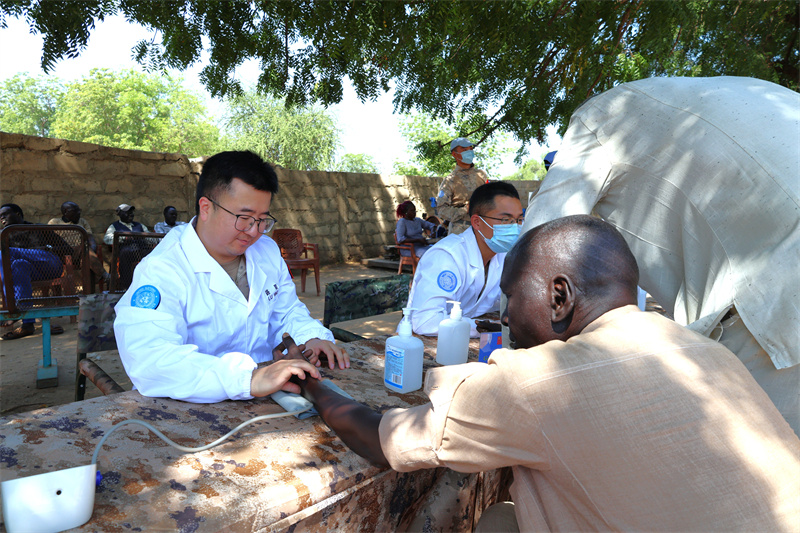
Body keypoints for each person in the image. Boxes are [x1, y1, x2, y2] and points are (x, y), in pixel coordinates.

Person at [292, 215, 800, 532]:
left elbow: (384, 438)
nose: (505, 314)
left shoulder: (537, 383)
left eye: (511, 296)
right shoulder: (707, 352)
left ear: (559, 296)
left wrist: (313, 384)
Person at [521, 76, 800, 435]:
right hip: (777, 288)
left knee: (741, 454)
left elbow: (536, 250)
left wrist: (517, 365)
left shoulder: (599, 118)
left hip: (770, 303)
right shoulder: (738, 93)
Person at [113, 150, 349, 403]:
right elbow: (150, 358)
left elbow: (287, 312)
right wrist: (247, 380)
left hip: (269, 394)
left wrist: (310, 337)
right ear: (206, 208)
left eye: (262, 219)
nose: (254, 231)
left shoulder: (266, 251)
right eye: (244, 218)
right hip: (193, 406)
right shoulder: (162, 269)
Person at [407, 182, 522, 337]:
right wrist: (483, 328)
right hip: (426, 341)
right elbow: (426, 321)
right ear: (477, 222)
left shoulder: (504, 255)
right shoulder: (447, 257)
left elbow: (505, 301)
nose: (514, 227)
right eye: (505, 219)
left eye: (519, 220)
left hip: (462, 338)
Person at [0, 203, 68, 339]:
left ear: (17, 214)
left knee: (6, 253)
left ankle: (12, 308)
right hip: (31, 272)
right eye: (0, 217)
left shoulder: (37, 227)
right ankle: (27, 324)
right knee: (19, 265)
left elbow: (67, 249)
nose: (2, 219)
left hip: (49, 264)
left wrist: (47, 248)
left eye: (5, 215)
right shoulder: (5, 235)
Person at [436, 137, 488, 235]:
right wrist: (465, 209)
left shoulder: (481, 175)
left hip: (482, 229)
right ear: (454, 154)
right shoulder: (450, 180)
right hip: (460, 231)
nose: (469, 152)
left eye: (470, 149)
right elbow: (441, 210)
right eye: (464, 150)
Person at [48, 201, 108, 283]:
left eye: (79, 210)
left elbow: (90, 237)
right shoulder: (54, 222)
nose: (79, 213)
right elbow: (50, 240)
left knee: (85, 260)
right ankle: (103, 275)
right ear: (65, 212)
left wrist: (92, 248)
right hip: (64, 252)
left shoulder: (82, 221)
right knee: (84, 251)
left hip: (82, 253)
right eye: (75, 211)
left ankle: (88, 288)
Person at [103, 204, 149, 288]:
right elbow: (107, 239)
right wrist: (123, 238)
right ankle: (125, 286)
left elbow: (151, 238)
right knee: (125, 254)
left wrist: (143, 237)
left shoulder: (140, 226)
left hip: (141, 251)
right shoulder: (114, 226)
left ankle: (148, 283)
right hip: (126, 253)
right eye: (127, 212)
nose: (130, 214)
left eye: (131, 212)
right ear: (119, 214)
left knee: (151, 255)